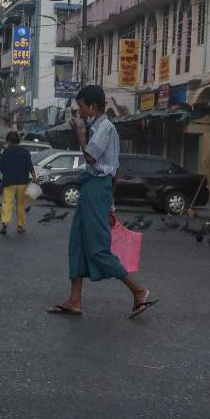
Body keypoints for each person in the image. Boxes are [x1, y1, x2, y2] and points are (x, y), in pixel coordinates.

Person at [47, 85, 157, 318]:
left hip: (97, 188)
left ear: (93, 107)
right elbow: (111, 169)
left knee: (97, 249)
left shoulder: (104, 127)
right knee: (77, 242)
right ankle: (74, 300)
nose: (80, 112)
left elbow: (91, 157)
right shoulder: (97, 126)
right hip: (93, 188)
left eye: (82, 107)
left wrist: (79, 133)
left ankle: (138, 290)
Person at [0, 131, 35, 234]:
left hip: (9, 182)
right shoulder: (25, 152)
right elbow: (30, 166)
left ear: (9, 141)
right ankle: (20, 226)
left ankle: (5, 223)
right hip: (22, 182)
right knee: (21, 205)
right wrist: (34, 178)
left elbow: (1, 167)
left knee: (7, 203)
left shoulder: (6, 152)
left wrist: (7, 173)